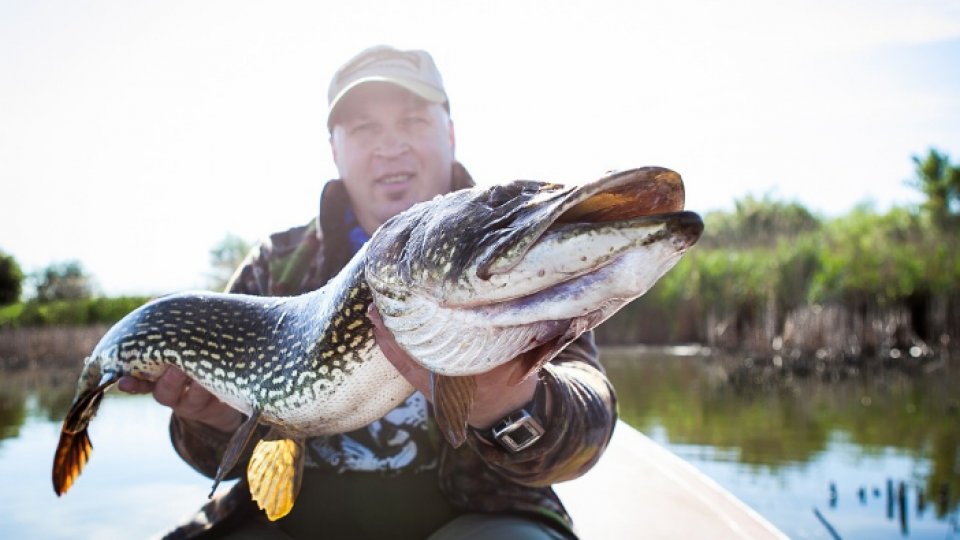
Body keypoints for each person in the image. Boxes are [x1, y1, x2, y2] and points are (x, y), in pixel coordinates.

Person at [119, 45, 617, 540]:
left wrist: (509, 405)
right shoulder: (276, 265)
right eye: (364, 128)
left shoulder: (509, 251)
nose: (390, 146)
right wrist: (216, 421)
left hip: (482, 516)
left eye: (413, 121)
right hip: (292, 524)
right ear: (335, 149)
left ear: (450, 133)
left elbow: (588, 432)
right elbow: (212, 463)